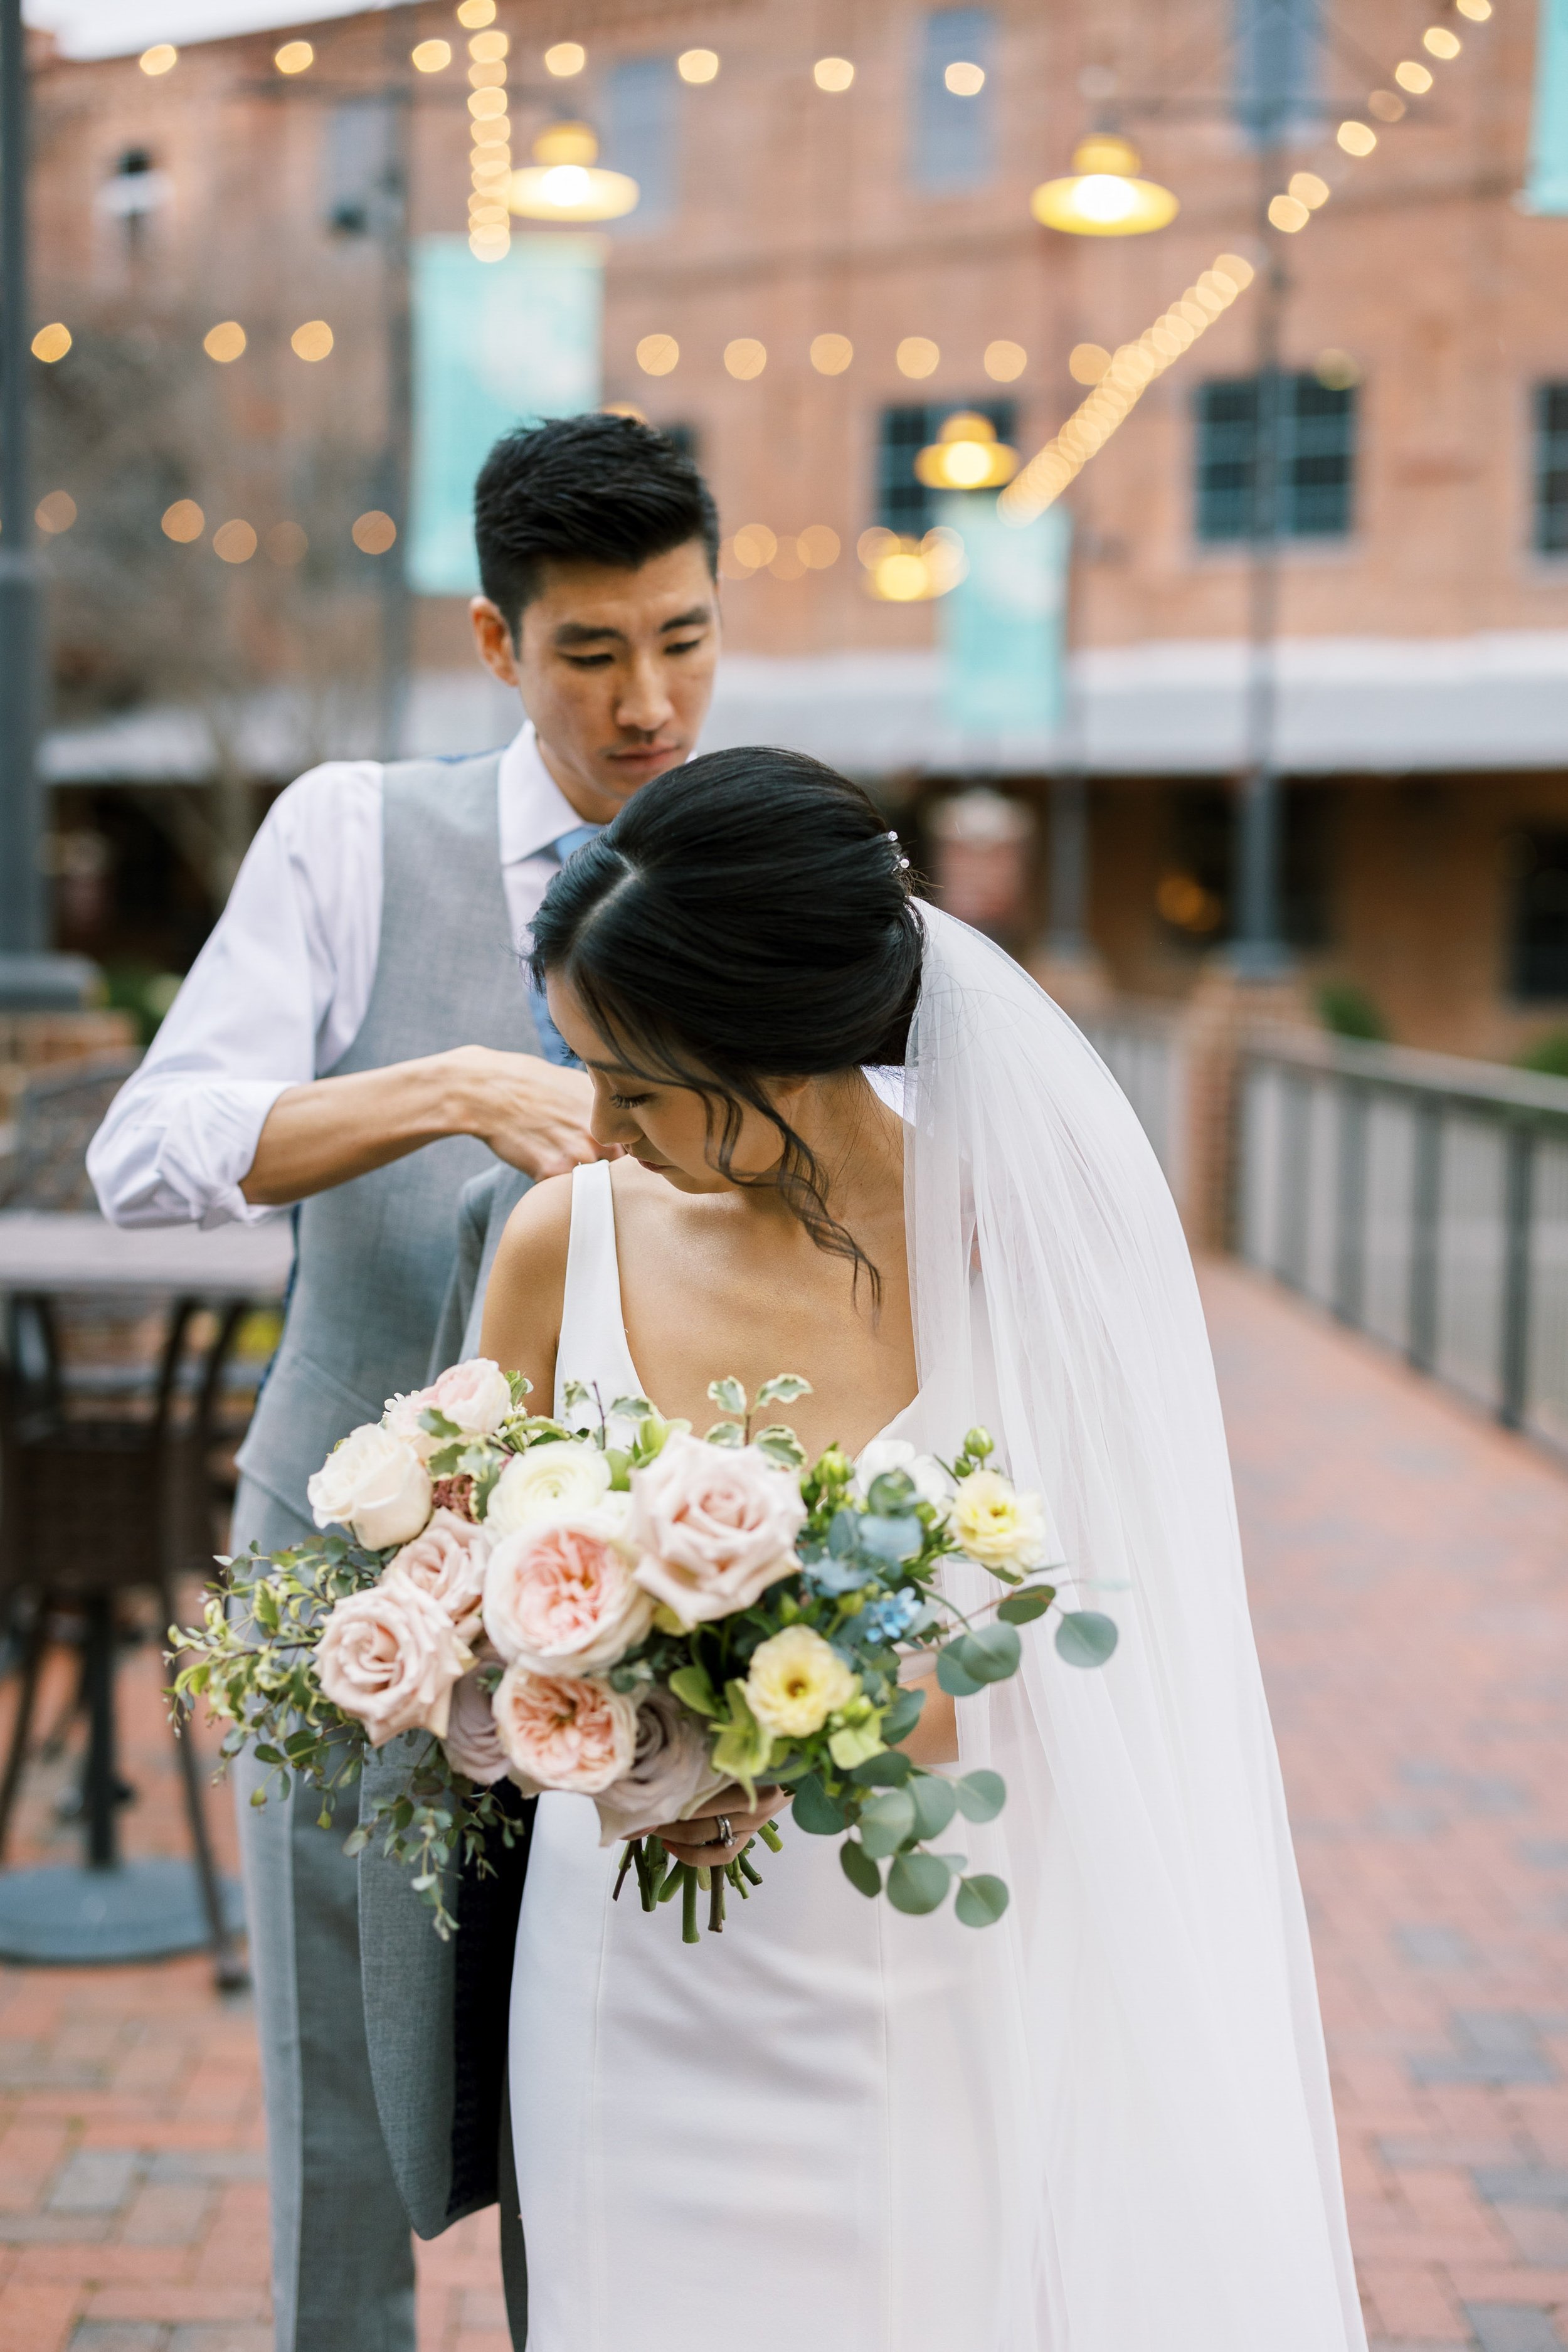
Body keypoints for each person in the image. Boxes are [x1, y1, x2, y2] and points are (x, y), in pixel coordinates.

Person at [477, 747, 1368, 2352]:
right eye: (578, 1064)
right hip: (630, 1976)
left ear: (779, 1049)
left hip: (915, 1973)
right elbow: (478, 1589)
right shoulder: (563, 1240)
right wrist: (575, 1721)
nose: (594, 1122)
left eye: (641, 1081)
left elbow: (1090, 1638)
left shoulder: (1026, 1251)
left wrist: (766, 1742)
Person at [87, 414, 723, 2352]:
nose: (650, 700)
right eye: (593, 652)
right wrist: (444, 1085)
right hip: (340, 1573)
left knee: (615, 2082)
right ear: (493, 642)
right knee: (337, 2092)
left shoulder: (752, 847)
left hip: (663, 1585)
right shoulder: (351, 829)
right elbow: (151, 1148)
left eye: (686, 640)